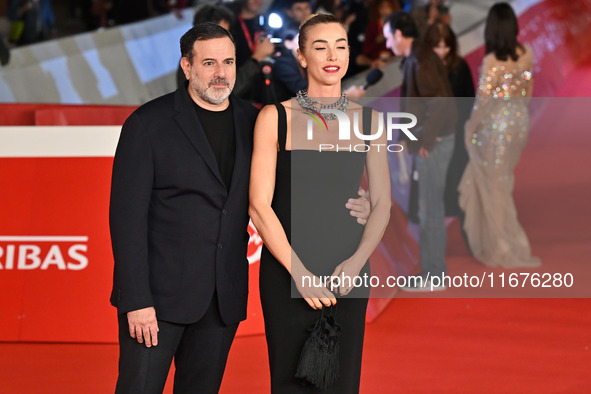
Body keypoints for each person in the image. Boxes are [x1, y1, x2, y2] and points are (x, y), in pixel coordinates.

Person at [110, 22, 370, 392]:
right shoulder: (148, 124)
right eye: (210, 63)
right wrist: (135, 300)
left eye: (229, 62)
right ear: (187, 67)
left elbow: (293, 188)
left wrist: (362, 202)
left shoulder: (255, 120)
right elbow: (126, 220)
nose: (221, 74)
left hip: (221, 302)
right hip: (158, 300)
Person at [249, 13, 391, 392]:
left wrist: (357, 263)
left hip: (348, 272)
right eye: (320, 46)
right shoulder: (274, 118)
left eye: (341, 45)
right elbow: (259, 206)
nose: (333, 55)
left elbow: (382, 204)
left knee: (342, 384)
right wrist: (300, 274)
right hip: (286, 273)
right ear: (301, 57)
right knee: (288, 382)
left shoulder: (370, 121)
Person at [458, 2, 540, 268]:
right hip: (519, 121)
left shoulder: (491, 61)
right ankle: (506, 241)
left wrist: (470, 126)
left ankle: (503, 245)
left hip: (496, 126)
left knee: (495, 186)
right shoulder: (526, 53)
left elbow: (483, 102)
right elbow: (527, 90)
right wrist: (517, 114)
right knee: (504, 182)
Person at [383, 11, 457, 290]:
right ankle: (432, 271)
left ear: (399, 35)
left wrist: (426, 139)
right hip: (433, 140)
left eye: (389, 37)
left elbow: (438, 102)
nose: (388, 44)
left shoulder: (420, 59)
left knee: (430, 209)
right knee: (429, 207)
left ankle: (434, 274)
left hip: (434, 144)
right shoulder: (418, 57)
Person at [422, 20, 474, 247]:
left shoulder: (460, 67)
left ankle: (471, 235)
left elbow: (470, 102)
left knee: (463, 189)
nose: (442, 52)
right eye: (437, 47)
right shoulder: (420, 70)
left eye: (446, 47)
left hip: (458, 138)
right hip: (434, 141)